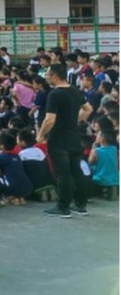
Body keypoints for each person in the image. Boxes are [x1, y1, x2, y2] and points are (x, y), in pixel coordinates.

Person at [38, 63, 93, 217]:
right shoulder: (75, 91)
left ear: (55, 76)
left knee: (63, 174)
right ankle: (80, 205)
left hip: (58, 139)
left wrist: (41, 134)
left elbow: (49, 120)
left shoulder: (54, 94)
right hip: (74, 137)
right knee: (77, 171)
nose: (46, 77)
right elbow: (88, 109)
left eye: (48, 74)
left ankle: (63, 207)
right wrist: (74, 120)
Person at [0, 131, 33, 204]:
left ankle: (10, 196)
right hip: (27, 188)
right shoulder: (17, 156)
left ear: (2, 146)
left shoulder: (0, 157)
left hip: (12, 188)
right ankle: (19, 198)